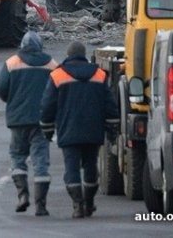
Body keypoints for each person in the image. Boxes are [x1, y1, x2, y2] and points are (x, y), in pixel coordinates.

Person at [40, 41, 119, 219]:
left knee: (71, 168)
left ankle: (77, 204)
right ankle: (89, 202)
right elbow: (110, 104)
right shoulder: (99, 74)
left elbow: (47, 105)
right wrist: (112, 129)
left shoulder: (58, 75)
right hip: (93, 129)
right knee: (91, 166)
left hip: (68, 129)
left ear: (68, 55)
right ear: (84, 55)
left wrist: (47, 129)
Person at [0, 31, 58, 216]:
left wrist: (13, 102)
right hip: (42, 122)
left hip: (18, 120)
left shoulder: (11, 63)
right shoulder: (52, 64)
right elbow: (58, 91)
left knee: (17, 157)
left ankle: (22, 196)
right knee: (41, 162)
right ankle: (41, 205)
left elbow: (1, 88)